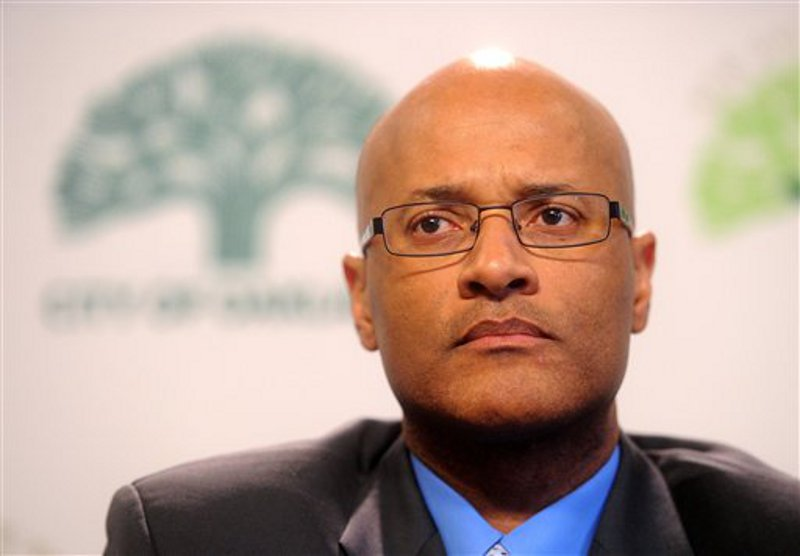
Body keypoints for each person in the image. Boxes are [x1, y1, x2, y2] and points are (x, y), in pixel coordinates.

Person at [104, 53, 800, 555]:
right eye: (432, 225)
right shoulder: (194, 539)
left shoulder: (774, 535)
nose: (496, 266)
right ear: (362, 299)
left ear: (640, 279)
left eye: (555, 216)